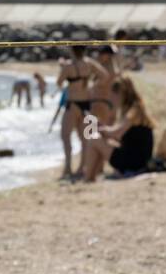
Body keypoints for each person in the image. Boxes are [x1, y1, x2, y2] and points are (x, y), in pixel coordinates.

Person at [79, 77, 156, 182]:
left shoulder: (133, 111)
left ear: (121, 94)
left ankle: (88, 177)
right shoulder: (135, 108)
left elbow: (116, 133)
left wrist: (100, 128)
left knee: (94, 139)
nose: (111, 98)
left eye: (113, 95)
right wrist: (103, 129)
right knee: (102, 139)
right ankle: (91, 175)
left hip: (134, 162)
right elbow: (121, 136)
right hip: (139, 159)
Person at [55, 45, 109, 178]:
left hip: (72, 103)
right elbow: (104, 75)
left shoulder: (68, 66)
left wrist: (62, 69)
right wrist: (91, 85)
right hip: (87, 103)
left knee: (65, 135)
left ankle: (68, 166)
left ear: (72, 51)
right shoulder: (89, 63)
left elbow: (59, 83)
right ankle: (82, 167)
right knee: (84, 137)